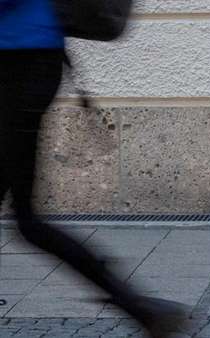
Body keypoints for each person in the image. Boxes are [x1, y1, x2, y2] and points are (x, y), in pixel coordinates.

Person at [0, 1, 186, 336]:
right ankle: (139, 307)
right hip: (28, 61)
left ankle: (138, 306)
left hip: (18, 66)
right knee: (26, 217)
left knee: (27, 219)